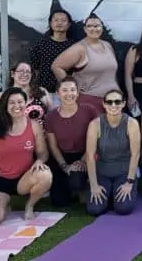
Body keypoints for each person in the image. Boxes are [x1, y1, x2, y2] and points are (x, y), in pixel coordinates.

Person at [0, 87, 53, 226]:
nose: (17, 106)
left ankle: (29, 205)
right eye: (12, 103)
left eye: (20, 102)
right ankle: (4, 202)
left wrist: (39, 160)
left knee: (45, 174)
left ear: (26, 103)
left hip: (23, 179)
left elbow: (43, 153)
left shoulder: (33, 126)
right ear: (5, 105)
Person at [85, 89, 141, 216]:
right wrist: (93, 185)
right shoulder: (95, 124)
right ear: (104, 104)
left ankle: (117, 193)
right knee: (95, 209)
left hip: (124, 172)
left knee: (123, 208)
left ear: (123, 103)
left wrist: (129, 182)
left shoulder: (132, 124)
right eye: (109, 102)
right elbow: (89, 156)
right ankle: (109, 194)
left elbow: (135, 154)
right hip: (102, 172)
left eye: (117, 102)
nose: (113, 105)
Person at [45, 76, 98, 207]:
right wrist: (64, 166)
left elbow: (97, 137)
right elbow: (53, 146)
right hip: (62, 156)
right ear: (58, 93)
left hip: (86, 153)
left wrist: (82, 161)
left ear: (78, 93)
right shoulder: (51, 116)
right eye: (65, 90)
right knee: (59, 202)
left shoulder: (89, 110)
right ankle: (72, 188)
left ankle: (82, 186)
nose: (69, 94)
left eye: (73, 90)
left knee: (76, 182)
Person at [52, 14, 119, 115]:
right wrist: (72, 88)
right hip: (90, 102)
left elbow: (112, 73)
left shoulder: (107, 45)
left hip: (113, 101)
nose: (93, 29)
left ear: (102, 27)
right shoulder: (80, 48)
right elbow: (56, 66)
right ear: (85, 29)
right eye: (89, 26)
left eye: (97, 25)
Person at [30, 9, 76, 99]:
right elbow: (34, 68)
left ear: (69, 24)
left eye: (63, 20)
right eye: (56, 20)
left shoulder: (74, 46)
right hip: (44, 92)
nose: (59, 23)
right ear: (50, 23)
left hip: (67, 94)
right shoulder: (41, 44)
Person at [0, 61, 52, 128]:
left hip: (41, 136)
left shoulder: (41, 92)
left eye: (28, 72)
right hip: (13, 137)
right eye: (21, 71)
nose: (25, 74)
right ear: (12, 74)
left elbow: (53, 117)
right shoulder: (1, 97)